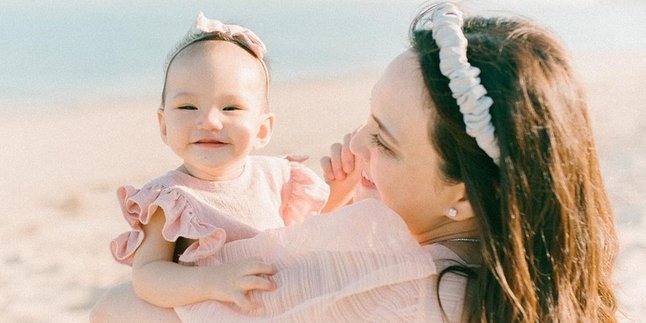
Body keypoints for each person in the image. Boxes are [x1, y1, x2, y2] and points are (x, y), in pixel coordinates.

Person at [91, 2, 618, 322]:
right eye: (368, 121)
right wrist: (351, 196)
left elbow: (116, 310)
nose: (356, 143)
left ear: (463, 193)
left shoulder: (414, 291)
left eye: (384, 142)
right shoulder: (518, 276)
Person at [106, 10, 331, 317]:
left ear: (262, 129)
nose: (210, 121)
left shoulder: (277, 177)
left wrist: (341, 188)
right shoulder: (171, 198)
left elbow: (305, 235)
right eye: (187, 106)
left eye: (230, 107)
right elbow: (147, 277)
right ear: (163, 125)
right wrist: (212, 281)